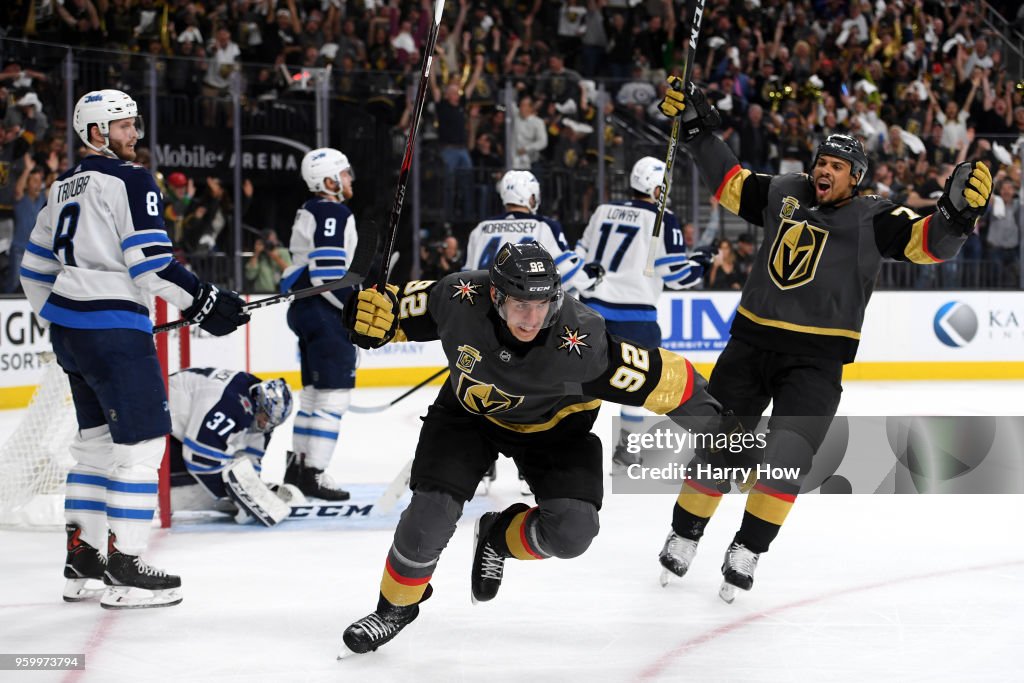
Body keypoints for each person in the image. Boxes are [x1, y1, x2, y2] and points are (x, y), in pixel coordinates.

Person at [654, 79, 992, 602]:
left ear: (855, 178)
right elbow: (730, 183)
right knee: (719, 453)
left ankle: (747, 549)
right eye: (820, 162)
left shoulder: (876, 216)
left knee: (788, 458)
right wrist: (700, 130)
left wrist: (958, 215)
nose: (823, 170)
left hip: (816, 362)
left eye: (836, 166)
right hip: (749, 347)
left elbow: (930, 245)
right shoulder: (784, 191)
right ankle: (684, 533)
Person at [336, 242, 735, 656]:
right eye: (520, 304)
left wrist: (724, 431)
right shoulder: (458, 296)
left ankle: (497, 537)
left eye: (542, 304)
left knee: (573, 532)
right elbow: (394, 308)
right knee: (428, 518)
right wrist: (368, 317)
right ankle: (395, 609)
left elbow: (670, 381)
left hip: (556, 430)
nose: (531, 318)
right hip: (468, 416)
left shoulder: (583, 342)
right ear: (495, 295)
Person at [19, 89, 250, 609]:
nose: (134, 135)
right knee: (143, 445)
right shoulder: (131, 179)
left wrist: (69, 314)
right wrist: (205, 302)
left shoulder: (60, 189)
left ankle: (83, 560)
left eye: (133, 125)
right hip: (114, 334)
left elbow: (33, 272)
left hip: (72, 335)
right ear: (96, 132)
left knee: (94, 447)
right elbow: (149, 265)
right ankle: (126, 567)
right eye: (123, 127)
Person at [575, 156, 714, 473]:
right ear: (655, 186)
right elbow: (676, 275)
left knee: (578, 384)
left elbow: (580, 255)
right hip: (635, 318)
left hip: (590, 311)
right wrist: (701, 263)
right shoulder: (662, 218)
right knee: (637, 384)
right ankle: (627, 451)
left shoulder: (602, 211)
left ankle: (562, 447)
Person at [278, 148, 358, 502]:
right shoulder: (331, 210)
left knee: (312, 396)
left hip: (306, 309)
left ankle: (297, 468)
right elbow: (327, 273)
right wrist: (353, 311)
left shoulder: (309, 210)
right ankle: (314, 473)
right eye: (343, 174)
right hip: (326, 313)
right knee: (332, 398)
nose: (349, 179)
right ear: (328, 181)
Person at [168, 368, 295, 526]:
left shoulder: (263, 416)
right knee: (189, 492)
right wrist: (233, 498)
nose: (264, 424)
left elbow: (248, 461)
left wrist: (254, 489)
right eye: (265, 418)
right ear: (259, 401)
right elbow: (200, 460)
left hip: (181, 431)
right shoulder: (229, 401)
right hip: (158, 426)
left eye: (270, 423)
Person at [464, 169, 599, 294]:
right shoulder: (544, 226)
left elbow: (465, 275)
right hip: (522, 307)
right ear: (530, 196)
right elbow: (566, 274)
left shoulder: (481, 228)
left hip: (481, 307)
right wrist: (591, 275)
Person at [244, 228, 291, 293]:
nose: (271, 243)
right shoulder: (260, 255)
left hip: (281, 292)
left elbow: (289, 272)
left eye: (273, 239)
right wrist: (256, 253)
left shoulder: (283, 252)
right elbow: (250, 275)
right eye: (269, 241)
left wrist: (275, 256)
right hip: (262, 294)